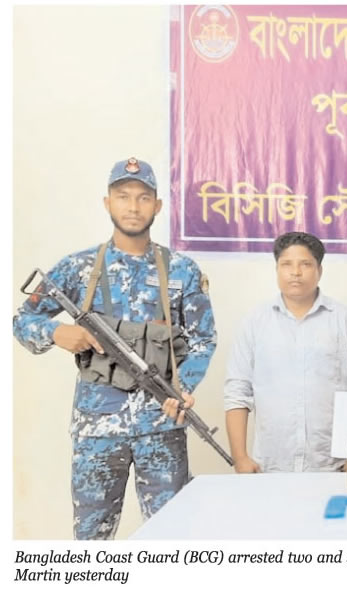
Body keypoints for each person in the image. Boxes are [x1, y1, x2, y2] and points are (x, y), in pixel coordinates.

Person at [13, 157, 217, 540]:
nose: (133, 206)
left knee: (171, 539)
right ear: (107, 202)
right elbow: (23, 320)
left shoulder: (182, 270)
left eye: (143, 198)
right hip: (97, 428)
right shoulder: (77, 268)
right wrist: (57, 332)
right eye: (123, 196)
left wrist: (183, 387)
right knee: (92, 543)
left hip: (161, 424)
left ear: (158, 206)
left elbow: (203, 339)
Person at [224, 231, 347, 473]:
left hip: (333, 466)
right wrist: (240, 457)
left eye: (305, 264)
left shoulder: (345, 321)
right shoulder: (255, 322)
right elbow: (237, 393)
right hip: (270, 466)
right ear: (276, 269)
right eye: (286, 264)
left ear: (319, 270)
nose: (295, 272)